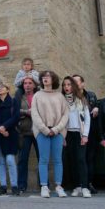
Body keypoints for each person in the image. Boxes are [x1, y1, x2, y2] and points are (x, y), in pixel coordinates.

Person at [31, 70, 69, 198]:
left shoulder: (60, 96)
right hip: (42, 132)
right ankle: (44, 186)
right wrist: (45, 130)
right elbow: (34, 114)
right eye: (43, 77)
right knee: (43, 159)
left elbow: (65, 114)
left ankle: (58, 186)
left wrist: (56, 129)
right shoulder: (37, 95)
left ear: (53, 79)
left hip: (58, 132)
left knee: (58, 160)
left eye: (48, 76)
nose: (45, 79)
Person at [62, 76, 92, 198]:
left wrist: (85, 135)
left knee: (81, 160)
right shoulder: (62, 100)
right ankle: (76, 186)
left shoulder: (81, 99)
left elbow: (87, 118)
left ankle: (85, 187)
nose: (66, 87)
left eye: (69, 85)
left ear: (73, 86)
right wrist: (62, 136)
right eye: (64, 85)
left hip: (79, 133)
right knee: (72, 161)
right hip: (67, 133)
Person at [0, 83, 20, 196]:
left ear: (7, 89)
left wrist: (5, 126)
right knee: (0, 161)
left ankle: (15, 186)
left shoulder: (13, 102)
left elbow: (16, 117)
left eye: (2, 87)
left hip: (10, 134)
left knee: (10, 160)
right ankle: (3, 186)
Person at [72, 74, 100, 193]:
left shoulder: (91, 95)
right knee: (78, 158)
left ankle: (88, 183)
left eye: (77, 82)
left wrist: (97, 108)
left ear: (83, 83)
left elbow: (98, 105)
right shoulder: (71, 97)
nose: (75, 84)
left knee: (90, 158)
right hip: (77, 132)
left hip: (90, 131)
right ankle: (79, 184)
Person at [16, 75, 39, 193]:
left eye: (30, 83)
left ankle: (43, 184)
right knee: (22, 160)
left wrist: (34, 113)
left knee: (42, 159)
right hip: (24, 132)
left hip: (39, 132)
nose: (27, 85)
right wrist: (26, 112)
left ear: (34, 85)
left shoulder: (39, 96)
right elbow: (14, 111)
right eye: (25, 83)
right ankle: (21, 185)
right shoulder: (19, 97)